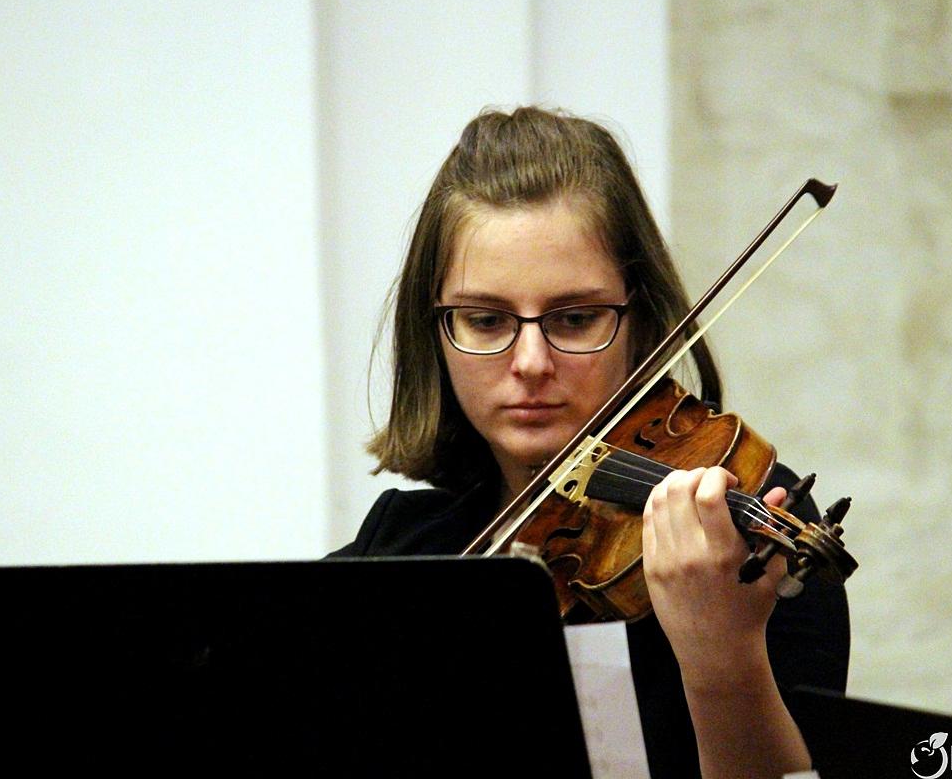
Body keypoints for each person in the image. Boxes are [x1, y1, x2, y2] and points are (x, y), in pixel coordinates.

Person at [330, 106, 850, 779]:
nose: (530, 362)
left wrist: (722, 652)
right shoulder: (402, 552)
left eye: (575, 318)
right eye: (485, 320)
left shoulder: (748, 544)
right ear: (435, 332)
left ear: (643, 320)